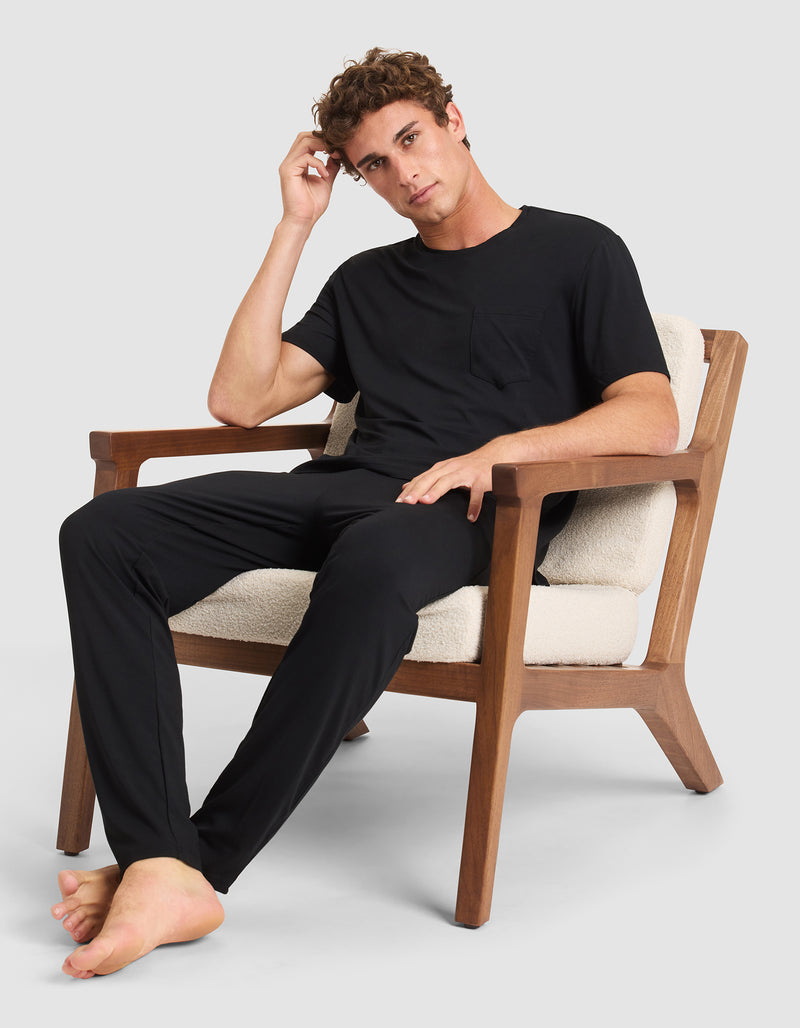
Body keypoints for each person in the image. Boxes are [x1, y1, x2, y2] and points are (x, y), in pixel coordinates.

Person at [52, 48, 679, 978]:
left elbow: (654, 416)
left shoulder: (578, 251)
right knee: (103, 532)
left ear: (455, 121)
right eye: (374, 164)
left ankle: (200, 862)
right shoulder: (367, 279)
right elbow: (239, 399)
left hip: (472, 508)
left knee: (377, 560)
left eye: (411, 139)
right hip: (344, 487)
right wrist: (295, 224)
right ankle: (158, 857)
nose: (403, 173)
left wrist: (502, 452)